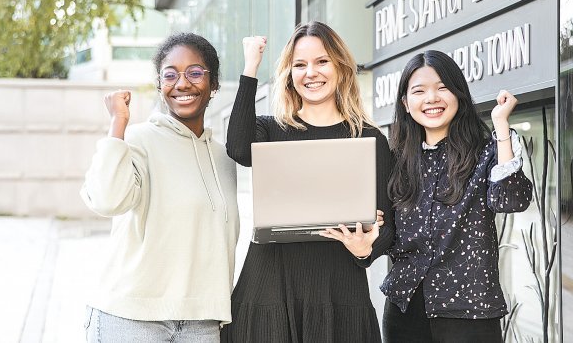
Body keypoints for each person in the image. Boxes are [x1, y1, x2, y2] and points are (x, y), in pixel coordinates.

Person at [220, 21, 394, 343]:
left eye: (322, 61)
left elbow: (388, 226)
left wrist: (365, 248)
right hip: (270, 288)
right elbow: (238, 148)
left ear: (341, 67)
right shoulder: (270, 129)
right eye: (299, 65)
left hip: (337, 291)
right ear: (289, 75)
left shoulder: (369, 138)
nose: (310, 72)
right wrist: (251, 66)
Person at [80, 33, 239, 342]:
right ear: (160, 85)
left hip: (201, 322)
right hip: (130, 318)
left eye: (195, 72)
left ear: (214, 84)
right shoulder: (138, 138)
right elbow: (106, 200)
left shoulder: (224, 157)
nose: (182, 83)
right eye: (170, 75)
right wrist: (117, 125)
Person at [381, 50, 533, 342]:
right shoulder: (395, 158)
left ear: (459, 94)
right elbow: (385, 229)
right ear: (405, 103)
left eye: (442, 88)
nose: (431, 98)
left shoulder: (485, 151)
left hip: (469, 314)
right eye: (419, 91)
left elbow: (511, 200)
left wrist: (501, 125)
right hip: (404, 311)